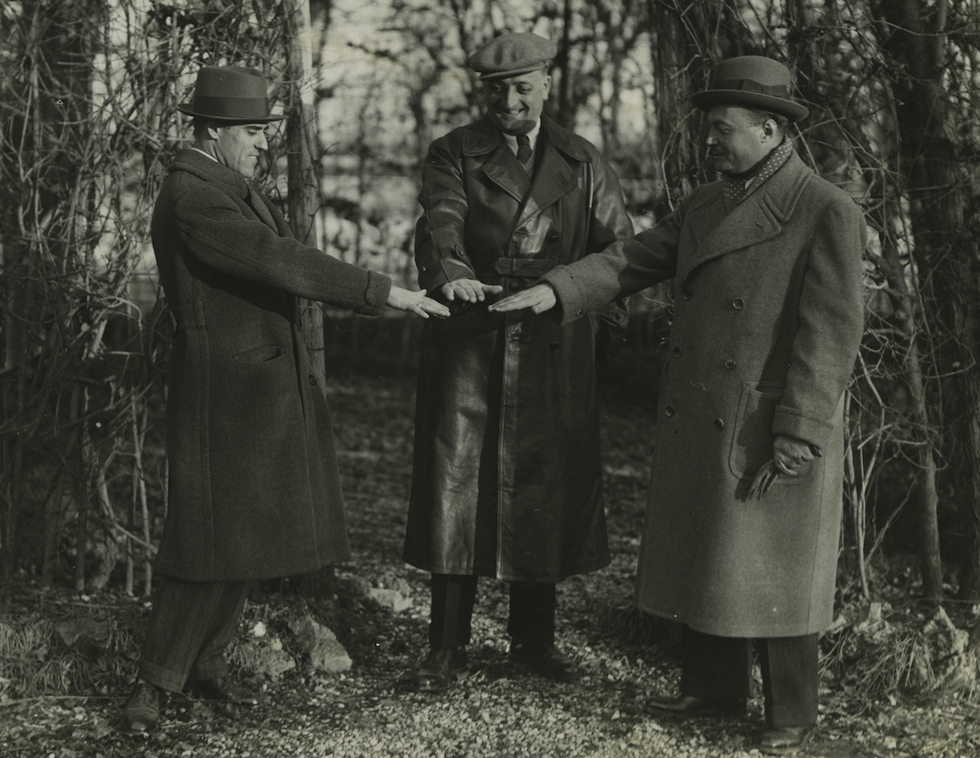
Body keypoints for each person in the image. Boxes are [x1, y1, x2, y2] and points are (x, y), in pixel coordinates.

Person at [492, 55, 866, 755]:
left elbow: (832, 333)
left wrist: (802, 429)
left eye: (722, 129)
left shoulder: (825, 210)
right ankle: (714, 688)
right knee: (709, 550)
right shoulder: (706, 204)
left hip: (769, 419)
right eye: (710, 130)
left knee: (777, 567)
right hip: (706, 409)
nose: (710, 143)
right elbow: (630, 259)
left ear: (768, 129)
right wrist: (557, 291)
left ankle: (792, 710)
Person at [121, 65, 449, 734]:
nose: (265, 144)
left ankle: (205, 664)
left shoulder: (223, 183)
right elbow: (277, 259)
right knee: (204, 544)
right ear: (213, 134)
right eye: (253, 132)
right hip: (225, 395)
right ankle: (150, 689)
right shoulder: (194, 197)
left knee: (241, 538)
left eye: (267, 131)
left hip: (251, 389)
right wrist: (381, 291)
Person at [402, 32, 633, 692]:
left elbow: (623, 252)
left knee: (544, 485)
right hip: (473, 334)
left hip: (554, 335)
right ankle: (444, 648)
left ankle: (534, 645)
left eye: (522, 86)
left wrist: (561, 290)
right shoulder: (454, 151)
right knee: (458, 483)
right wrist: (451, 272)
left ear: (546, 86)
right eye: (496, 88)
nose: (509, 98)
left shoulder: (585, 161)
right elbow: (439, 218)